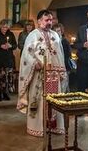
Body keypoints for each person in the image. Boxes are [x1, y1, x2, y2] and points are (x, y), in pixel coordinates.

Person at [17, 9, 66, 137]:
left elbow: (60, 54)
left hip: (53, 75)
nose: (49, 22)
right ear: (39, 21)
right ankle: (37, 127)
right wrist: (35, 63)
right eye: (46, 20)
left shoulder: (55, 35)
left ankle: (53, 126)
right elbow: (26, 55)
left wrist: (61, 71)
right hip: (38, 75)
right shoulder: (32, 35)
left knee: (54, 101)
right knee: (37, 100)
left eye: (51, 20)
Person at [0, 19, 17, 101]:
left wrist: (10, 46)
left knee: (7, 78)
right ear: (0, 26)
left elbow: (15, 45)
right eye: (3, 27)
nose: (5, 28)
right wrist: (0, 46)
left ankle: (5, 93)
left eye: (6, 27)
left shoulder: (11, 34)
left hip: (8, 59)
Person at [53, 22, 72, 91]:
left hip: (64, 66)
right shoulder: (52, 42)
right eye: (55, 31)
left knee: (65, 84)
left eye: (58, 31)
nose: (57, 33)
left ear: (61, 31)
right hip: (55, 66)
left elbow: (68, 54)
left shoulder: (65, 41)